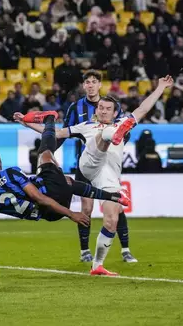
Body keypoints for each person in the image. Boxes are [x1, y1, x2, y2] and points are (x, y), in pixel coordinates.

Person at [19, 75, 173, 276]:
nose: (103, 110)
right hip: (89, 165)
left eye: (108, 109)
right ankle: (110, 136)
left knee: (111, 220)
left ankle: (97, 265)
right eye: (100, 108)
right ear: (97, 109)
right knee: (104, 135)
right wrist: (26, 123)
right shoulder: (86, 126)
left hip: (108, 175)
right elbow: (55, 133)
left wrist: (160, 87)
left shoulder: (121, 121)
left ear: (115, 111)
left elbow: (143, 108)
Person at [0, 110, 128, 283]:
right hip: (52, 195)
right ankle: (50, 117)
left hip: (50, 215)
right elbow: (39, 197)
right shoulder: (9, 173)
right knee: (46, 154)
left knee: (67, 181)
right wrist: (71, 214)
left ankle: (113, 196)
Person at [62, 71, 137, 263]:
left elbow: (123, 129)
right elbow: (64, 132)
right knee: (86, 209)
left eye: (94, 82)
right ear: (84, 85)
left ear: (99, 85)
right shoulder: (75, 107)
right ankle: (84, 251)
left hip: (108, 163)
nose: (90, 85)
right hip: (87, 162)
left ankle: (126, 249)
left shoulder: (113, 106)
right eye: (87, 82)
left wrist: (118, 144)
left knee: (116, 207)